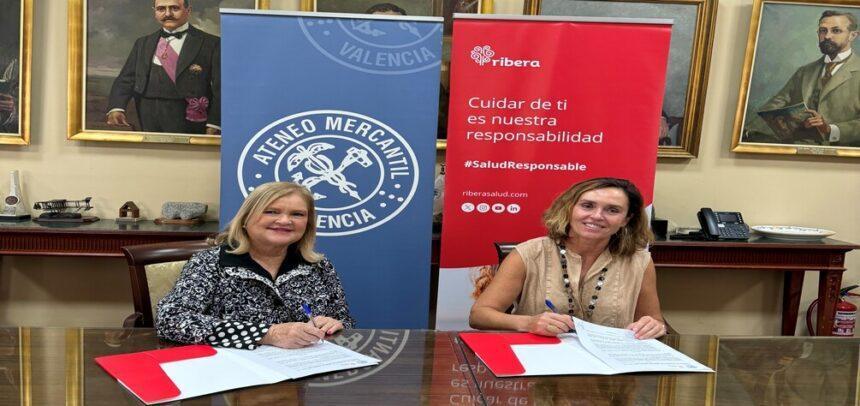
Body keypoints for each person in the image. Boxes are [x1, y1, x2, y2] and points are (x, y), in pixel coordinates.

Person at [156, 182, 355, 349]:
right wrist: (266, 334)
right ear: (245, 219)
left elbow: (345, 321)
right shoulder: (210, 262)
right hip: (234, 376)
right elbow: (170, 319)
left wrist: (333, 324)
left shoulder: (318, 266)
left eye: (297, 214)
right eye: (271, 211)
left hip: (307, 374)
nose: (285, 220)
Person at [469, 177, 666, 339]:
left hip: (610, 371)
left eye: (612, 210)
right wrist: (528, 322)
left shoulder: (640, 262)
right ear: (570, 209)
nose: (597, 216)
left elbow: (655, 321)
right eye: (587, 206)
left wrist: (653, 327)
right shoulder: (528, 253)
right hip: (539, 362)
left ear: (626, 220)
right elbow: (479, 315)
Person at [747, 10, 860, 146]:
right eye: (823, 31)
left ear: (852, 35)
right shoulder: (805, 71)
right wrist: (755, 128)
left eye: (836, 31)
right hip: (795, 148)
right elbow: (776, 103)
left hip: (839, 156)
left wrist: (830, 129)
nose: (827, 36)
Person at [106, 0, 220, 135]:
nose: (167, 14)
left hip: (187, 119)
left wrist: (215, 123)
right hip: (146, 115)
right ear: (154, 11)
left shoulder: (211, 43)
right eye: (161, 9)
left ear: (188, 10)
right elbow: (126, 79)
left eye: (174, 8)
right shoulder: (143, 43)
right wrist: (116, 108)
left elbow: (221, 87)